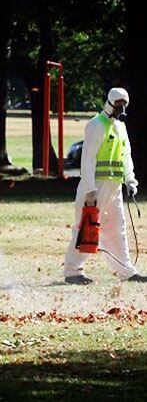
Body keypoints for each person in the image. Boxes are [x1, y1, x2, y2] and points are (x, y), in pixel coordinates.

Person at [63, 88, 146, 284]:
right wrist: (90, 189)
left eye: (124, 104)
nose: (122, 108)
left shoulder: (120, 127)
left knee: (117, 228)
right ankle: (72, 271)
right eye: (119, 104)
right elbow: (88, 159)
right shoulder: (96, 125)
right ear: (109, 103)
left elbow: (126, 158)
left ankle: (126, 270)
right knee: (86, 228)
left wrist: (130, 180)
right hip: (96, 187)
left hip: (114, 187)